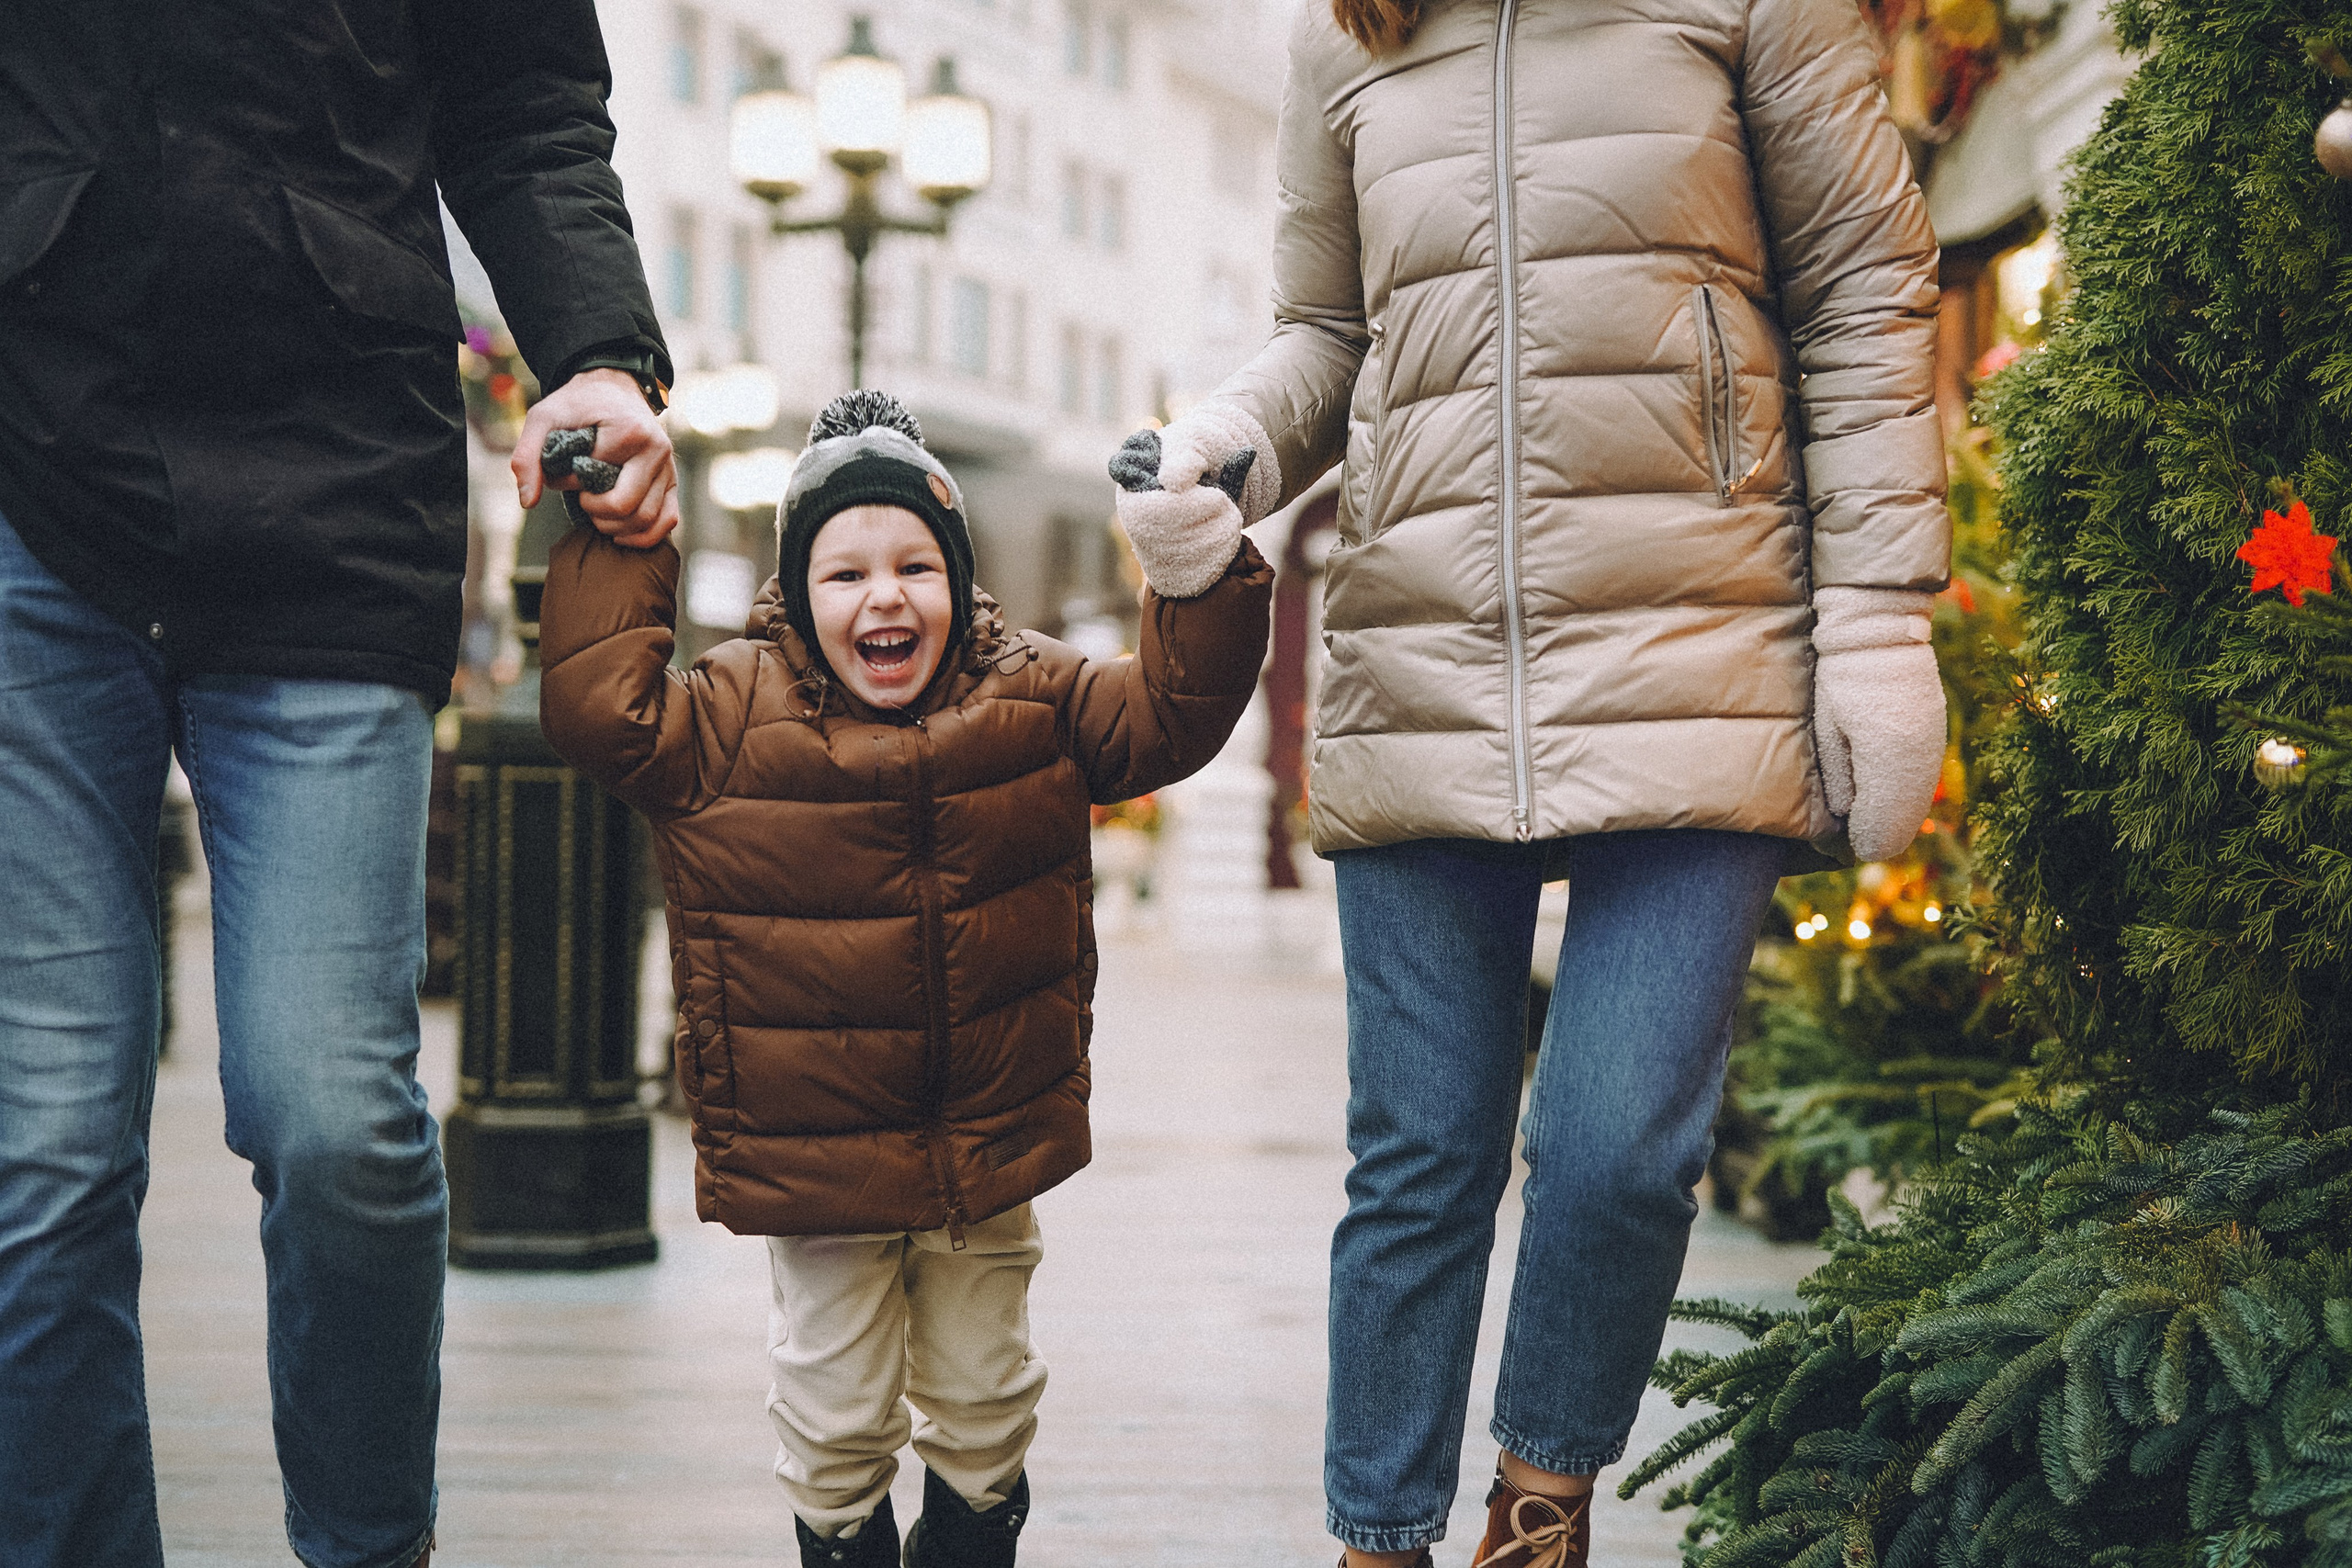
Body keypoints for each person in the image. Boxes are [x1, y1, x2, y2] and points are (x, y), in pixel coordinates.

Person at [1109, 0, 1951, 1562]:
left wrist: (1881, 615)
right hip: (1420, 654)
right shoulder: (1350, 35)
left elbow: (1860, 290)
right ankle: (1377, 1539)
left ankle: (1540, 1508)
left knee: (1623, 1147)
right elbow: (1330, 335)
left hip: (1701, 637)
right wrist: (1226, 442)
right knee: (1419, 1157)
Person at [0, 6, 675, 1564]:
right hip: (36, 482)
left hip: (332, 494)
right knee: (40, 1139)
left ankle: (369, 1547)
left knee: (332, 1120)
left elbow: (526, 107)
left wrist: (598, 354)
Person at [537, 389, 1274, 1568]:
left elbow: (1168, 721)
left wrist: (1195, 563)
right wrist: (626, 536)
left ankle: (977, 1534)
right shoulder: (728, 715)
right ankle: (842, 1543)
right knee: (832, 1416)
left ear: (960, 576)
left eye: (915, 567)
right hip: (815, 1159)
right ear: (794, 591)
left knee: (986, 1398)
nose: (885, 596)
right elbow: (600, 715)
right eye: (845, 574)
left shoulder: (1033, 692)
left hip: (988, 1136)